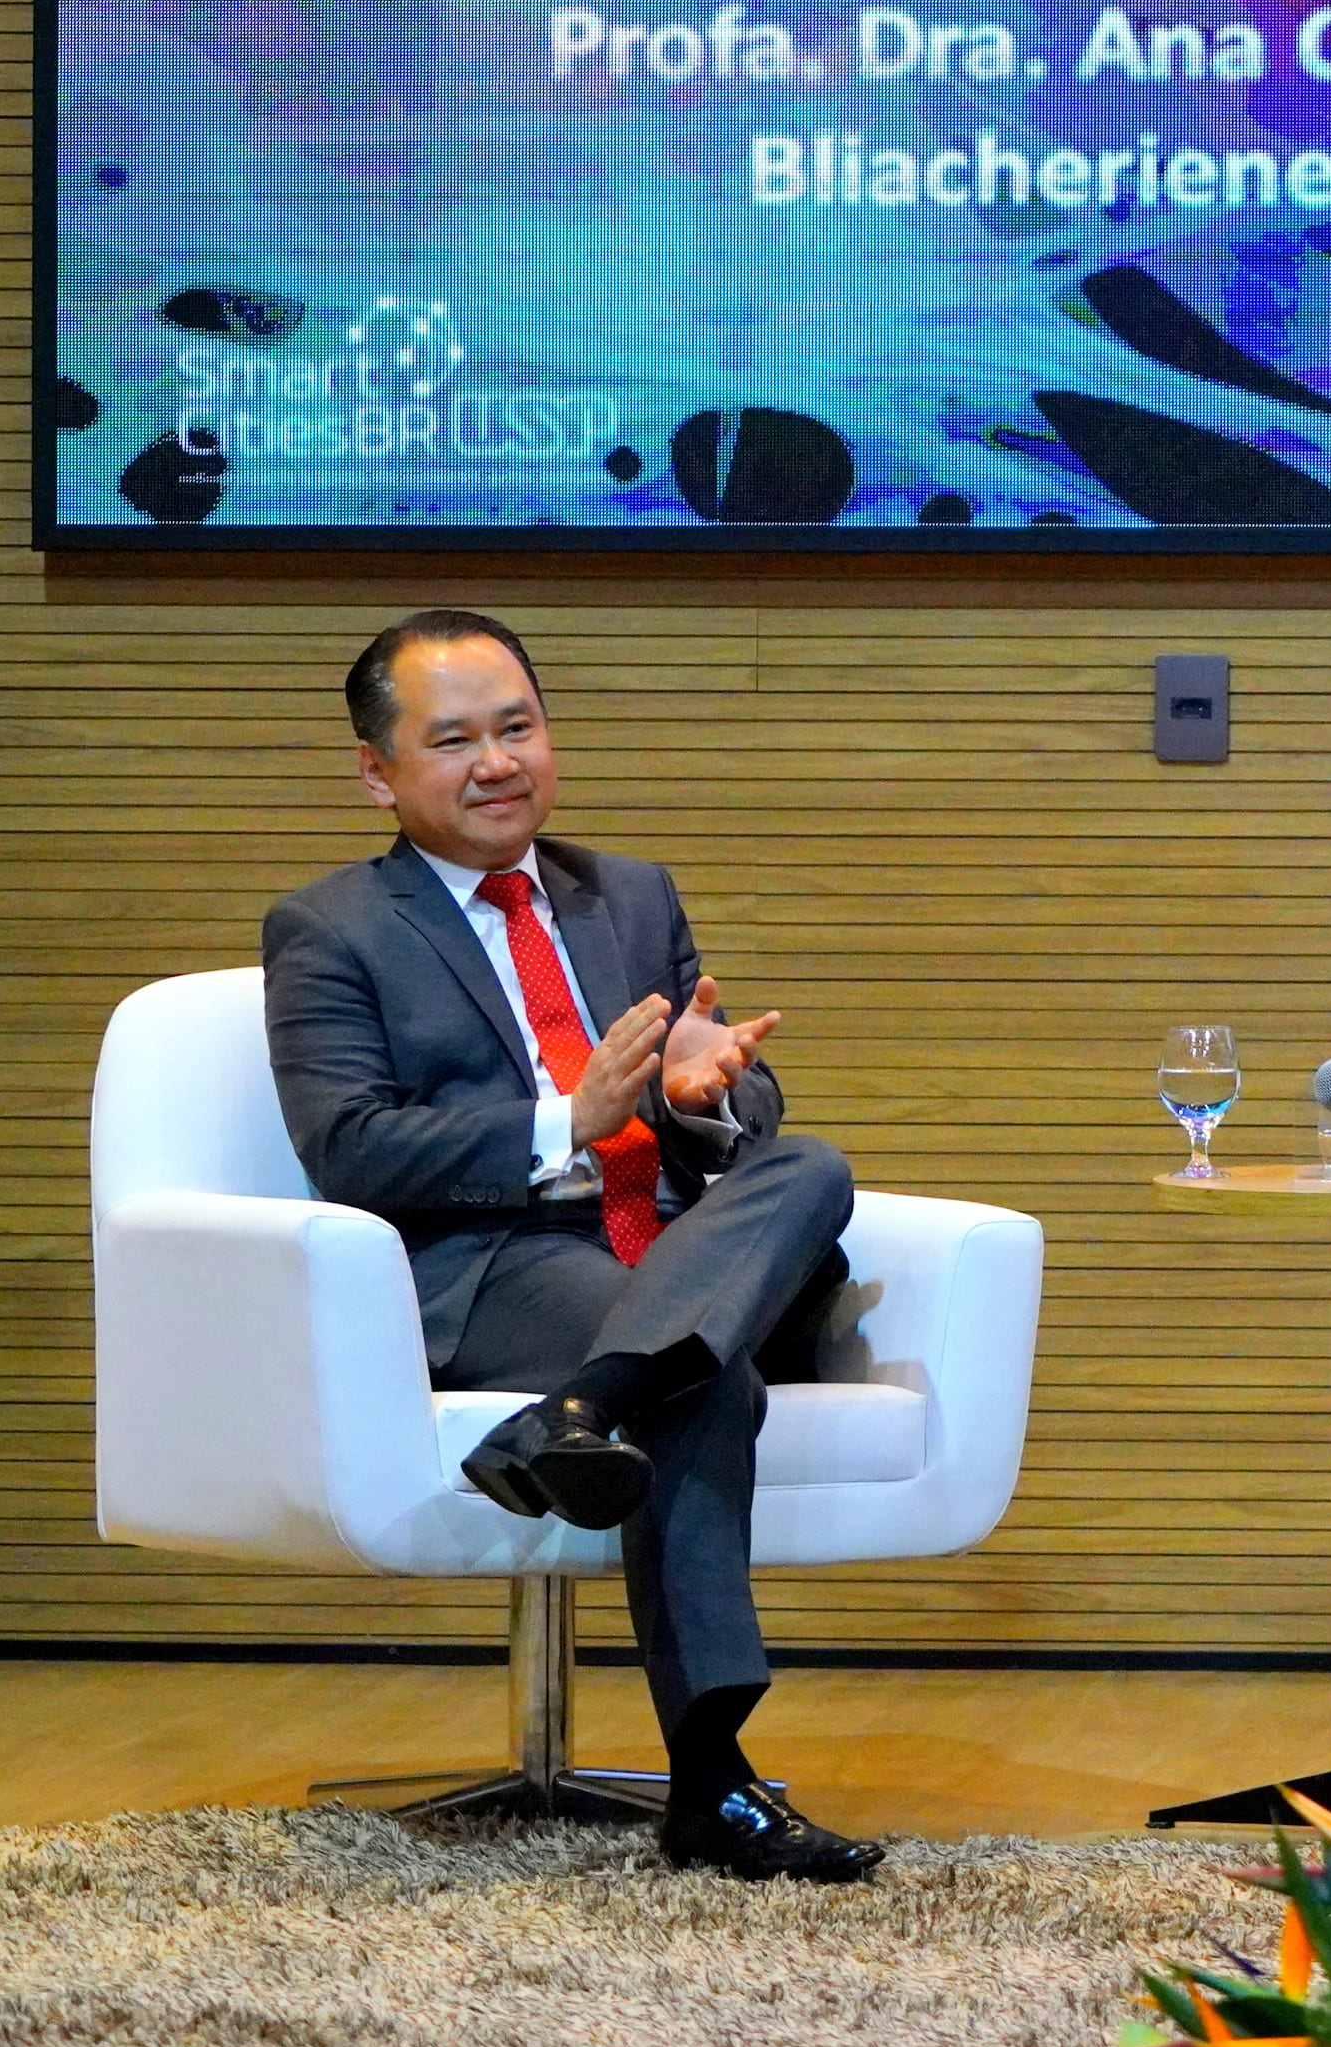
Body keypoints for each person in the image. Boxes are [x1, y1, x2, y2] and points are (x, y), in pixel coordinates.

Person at [262, 609, 884, 1881]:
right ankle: (713, 1781)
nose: (497, 761)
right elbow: (353, 1147)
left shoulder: (630, 894)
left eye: (518, 726)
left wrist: (702, 1097)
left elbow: (733, 1090)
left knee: (806, 1160)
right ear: (377, 772)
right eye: (454, 740)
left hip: (664, 1239)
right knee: (708, 1375)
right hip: (501, 1256)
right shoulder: (332, 927)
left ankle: (587, 1406)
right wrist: (570, 1117)